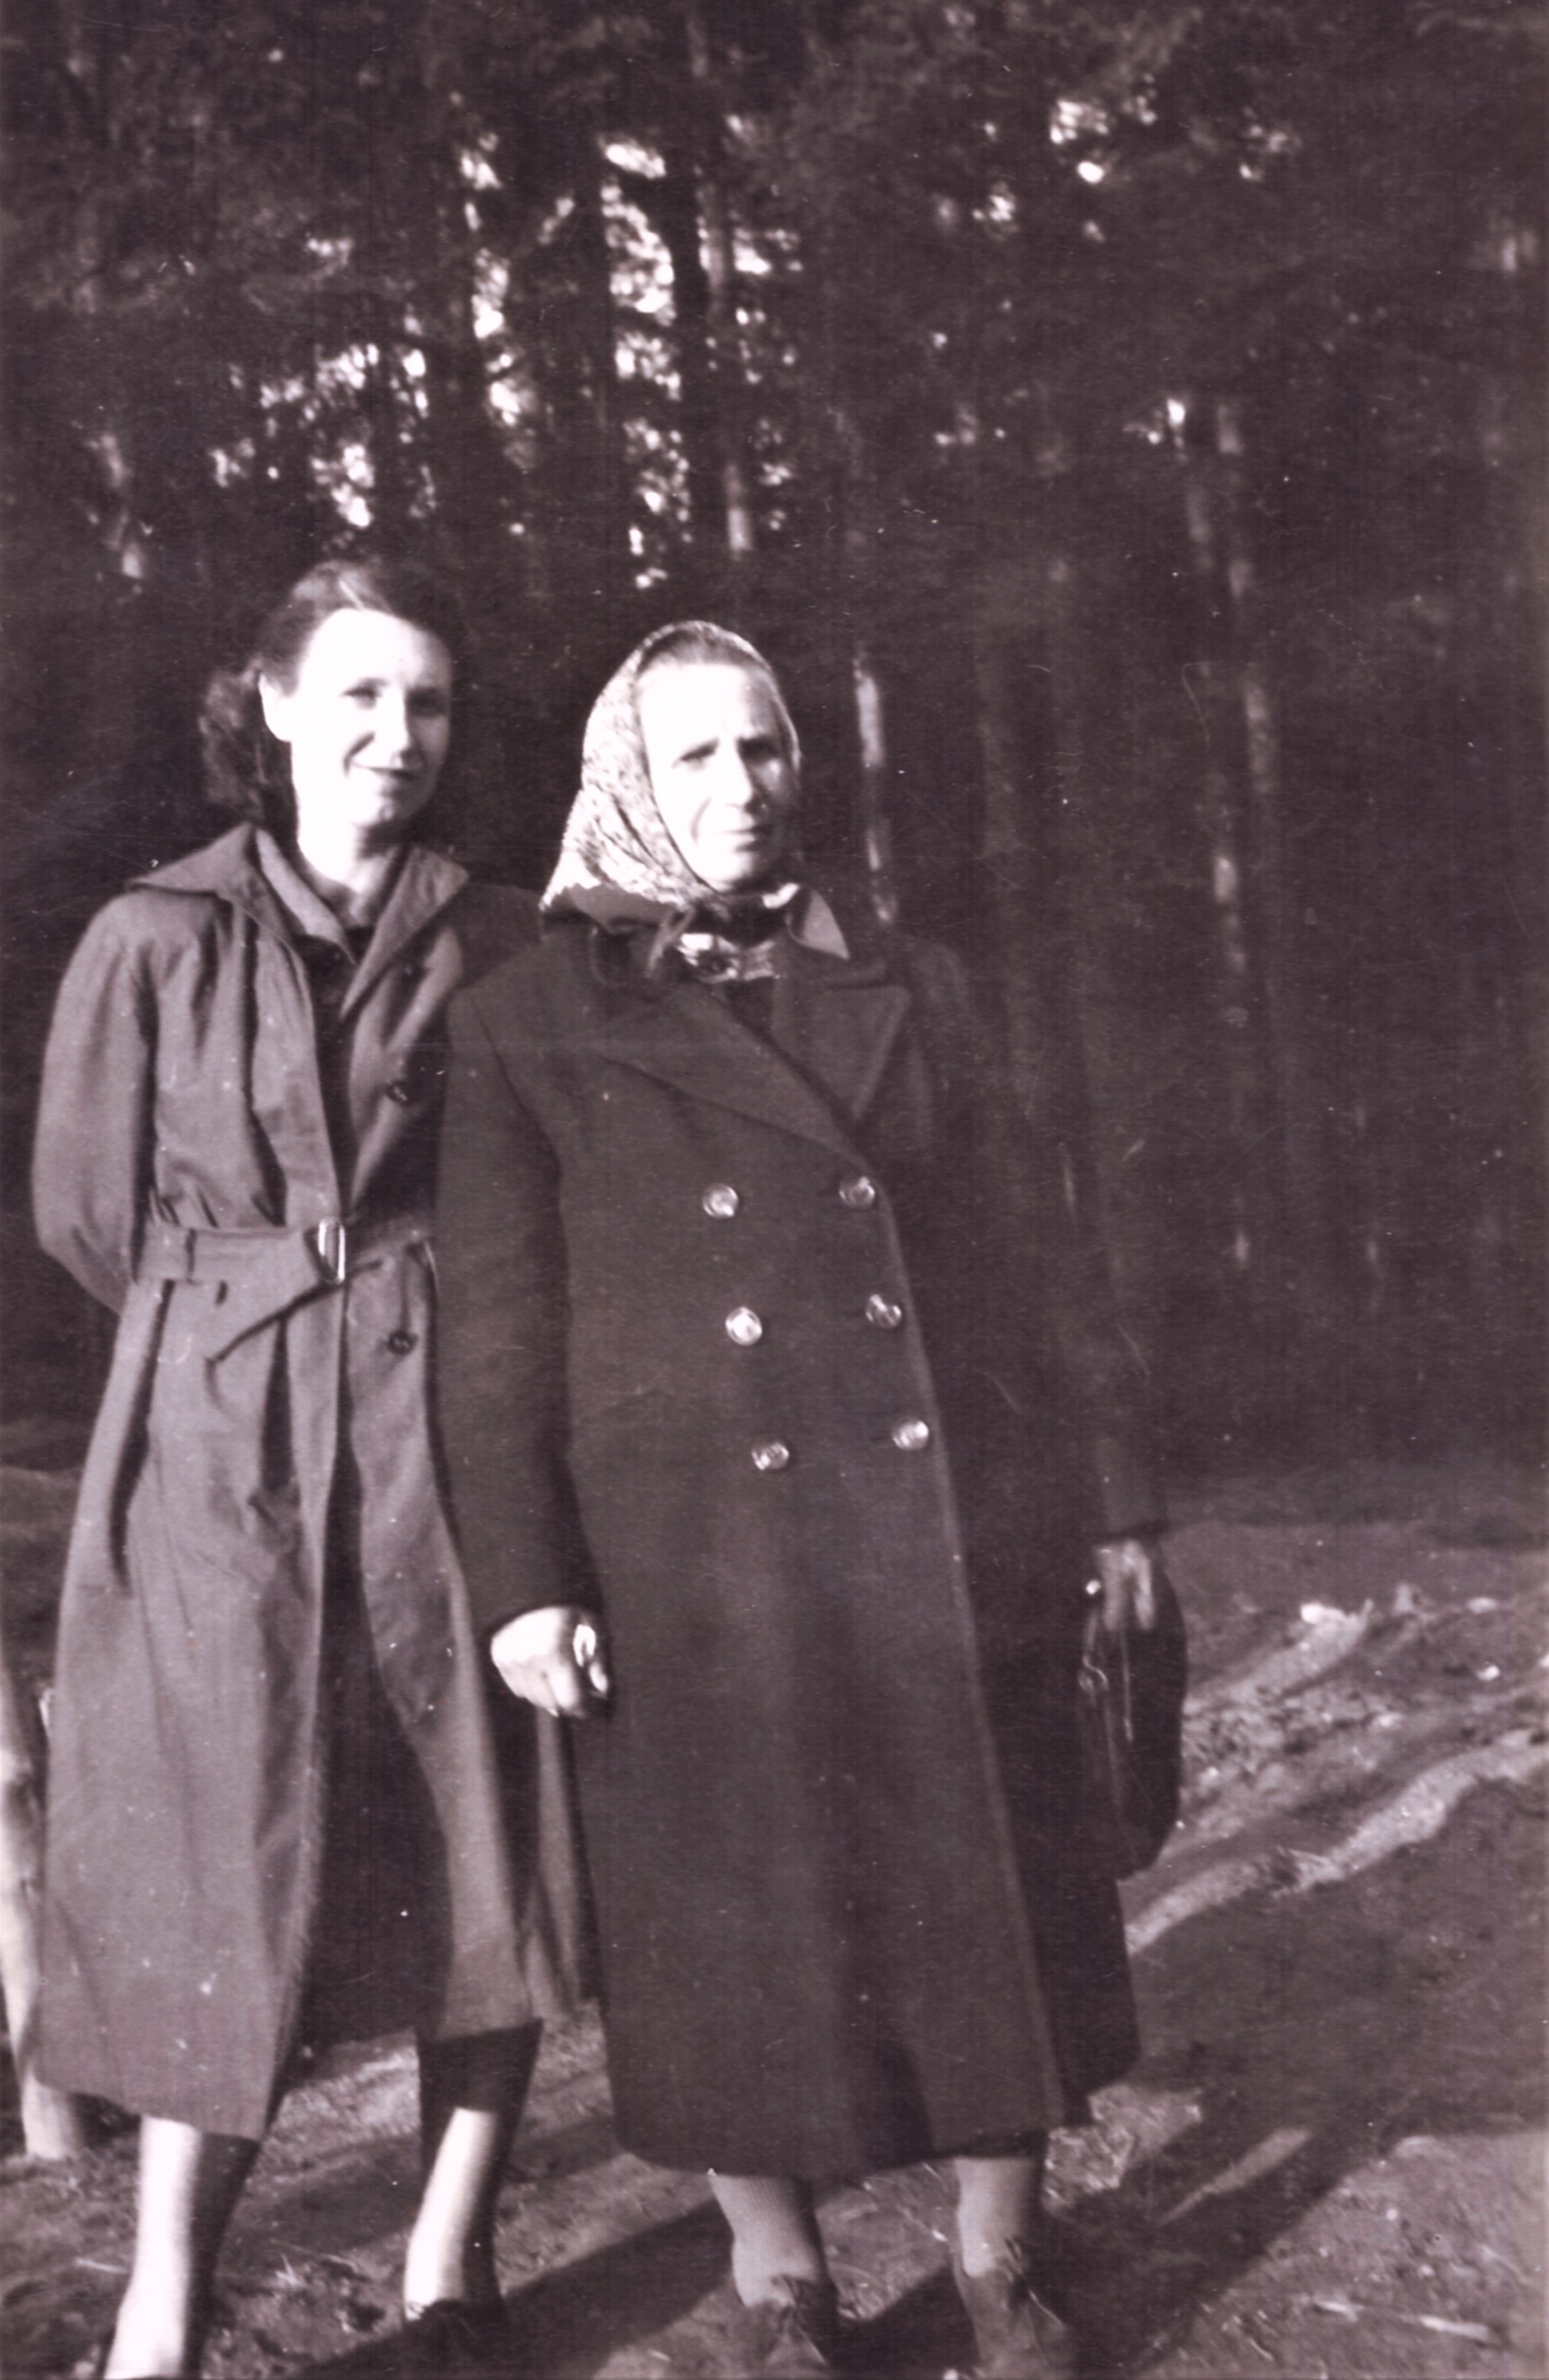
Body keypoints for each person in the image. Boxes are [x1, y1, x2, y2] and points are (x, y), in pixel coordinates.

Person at [435, 620, 1165, 2378]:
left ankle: (1002, 2259)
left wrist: (1118, 1504)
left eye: (763, 747)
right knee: (731, 1920)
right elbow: (496, 1334)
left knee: (985, 1880)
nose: (742, 786)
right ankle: (781, 2280)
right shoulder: (527, 1020)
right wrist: (527, 1580)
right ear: (627, 778)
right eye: (695, 755)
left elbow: (1039, 1260)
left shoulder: (918, 980)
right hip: (688, 1547)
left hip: (942, 1519)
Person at [32, 557, 589, 2379]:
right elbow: (88, 1215)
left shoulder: (500, 935)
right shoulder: (155, 936)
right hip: (218, 1445)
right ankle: (164, 2299)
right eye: (356, 694)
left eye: (427, 703)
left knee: (480, 1827)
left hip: (446, 1424)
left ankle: (448, 2260)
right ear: (271, 707)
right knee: (224, 1854)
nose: (395, 736)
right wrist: (257, 1313)